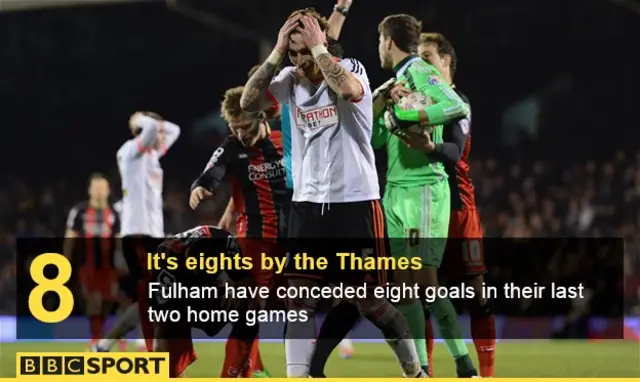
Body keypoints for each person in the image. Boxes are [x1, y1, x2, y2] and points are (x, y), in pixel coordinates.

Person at [241, 8, 424, 378]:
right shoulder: (290, 79)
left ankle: (415, 370)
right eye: (294, 53)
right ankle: (300, 375)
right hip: (308, 207)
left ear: (322, 43)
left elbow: (346, 89)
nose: (299, 61)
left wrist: (319, 50)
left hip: (355, 204)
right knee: (299, 300)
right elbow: (248, 103)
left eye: (303, 51)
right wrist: (278, 51)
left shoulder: (352, 67)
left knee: (370, 302)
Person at [308, 14, 477, 378]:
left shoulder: (418, 70)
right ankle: (421, 370)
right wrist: (385, 111)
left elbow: (454, 106)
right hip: (394, 190)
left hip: (423, 189)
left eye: (379, 41)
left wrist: (409, 114)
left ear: (387, 41)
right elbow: (374, 141)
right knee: (403, 289)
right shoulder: (395, 81)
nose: (378, 47)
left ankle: (465, 365)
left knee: (424, 284)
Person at [403, 32, 494, 377]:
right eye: (417, 58)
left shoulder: (458, 102)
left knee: (477, 296)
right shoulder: (411, 99)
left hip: (458, 208)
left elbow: (455, 153)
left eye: (427, 58)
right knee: (418, 293)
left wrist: (429, 148)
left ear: (446, 62)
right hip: (419, 206)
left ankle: (486, 373)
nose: (420, 65)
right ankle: (424, 371)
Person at [190, 85, 287, 377]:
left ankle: (295, 370)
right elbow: (213, 171)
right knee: (248, 312)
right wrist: (201, 187)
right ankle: (236, 373)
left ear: (261, 118)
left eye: (245, 127)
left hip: (293, 237)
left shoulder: (288, 142)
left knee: (301, 308)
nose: (240, 133)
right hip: (253, 241)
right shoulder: (231, 146)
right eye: (234, 127)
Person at [92, 111, 181, 353]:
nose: (163, 137)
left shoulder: (152, 155)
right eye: (157, 133)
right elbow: (152, 127)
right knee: (153, 293)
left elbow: (175, 130)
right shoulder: (132, 151)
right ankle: (115, 343)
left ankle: (110, 343)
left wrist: (158, 125)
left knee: (157, 294)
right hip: (137, 235)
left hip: (154, 236)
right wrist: (138, 119)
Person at [148, 225, 259, 377]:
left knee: (250, 309)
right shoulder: (167, 262)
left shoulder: (226, 243)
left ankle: (236, 373)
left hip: (216, 293)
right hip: (182, 301)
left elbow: (245, 279)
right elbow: (161, 324)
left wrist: (234, 294)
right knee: (167, 342)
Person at [64, 173, 120, 349]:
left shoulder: (114, 214)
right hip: (86, 264)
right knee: (94, 300)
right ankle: (96, 338)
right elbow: (70, 237)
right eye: (96, 188)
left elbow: (118, 239)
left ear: (108, 190)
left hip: (109, 265)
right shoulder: (79, 212)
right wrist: (65, 260)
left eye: (102, 188)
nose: (99, 192)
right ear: (89, 190)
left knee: (110, 300)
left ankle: (112, 336)